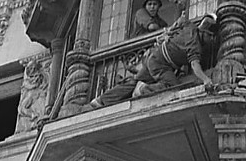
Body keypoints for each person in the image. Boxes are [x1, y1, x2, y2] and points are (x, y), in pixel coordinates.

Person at [88, 13, 218, 108]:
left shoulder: (190, 26)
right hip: (161, 64)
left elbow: (181, 20)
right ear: (205, 33)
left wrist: (169, 31)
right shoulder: (194, 44)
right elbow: (195, 65)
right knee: (172, 86)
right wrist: (206, 79)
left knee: (134, 81)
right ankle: (145, 89)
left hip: (153, 55)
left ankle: (101, 100)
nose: (211, 41)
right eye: (211, 37)